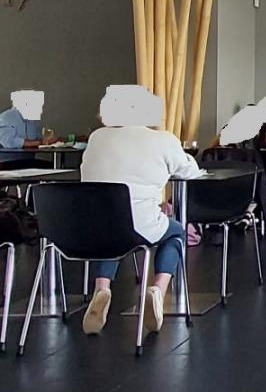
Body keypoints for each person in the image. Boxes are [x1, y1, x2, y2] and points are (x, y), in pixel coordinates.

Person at [79, 85, 202, 336]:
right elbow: (189, 171)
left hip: (95, 227)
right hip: (141, 226)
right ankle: (157, 290)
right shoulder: (163, 140)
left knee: (112, 229)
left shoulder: (97, 138)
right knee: (176, 232)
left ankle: (102, 288)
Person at [0, 89, 57, 169]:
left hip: (27, 160)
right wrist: (40, 142)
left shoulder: (31, 120)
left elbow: (39, 138)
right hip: (8, 162)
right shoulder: (6, 117)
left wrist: (51, 141)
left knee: (54, 167)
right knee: (52, 168)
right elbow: (9, 142)